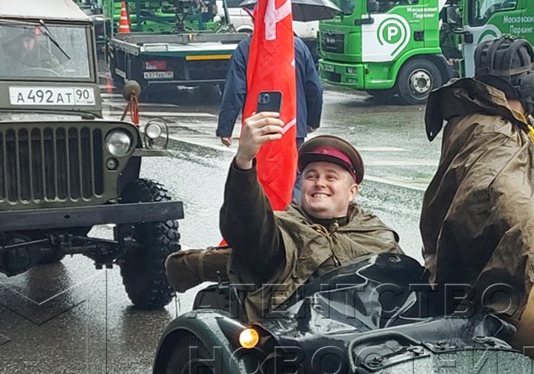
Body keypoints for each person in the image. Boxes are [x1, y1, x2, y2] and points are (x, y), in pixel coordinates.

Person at [168, 112, 399, 321]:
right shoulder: (282, 232)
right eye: (311, 176)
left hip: (374, 345)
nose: (319, 183)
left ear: (352, 192)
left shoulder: (376, 234)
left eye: (331, 177)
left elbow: (407, 289)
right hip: (296, 348)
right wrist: (244, 162)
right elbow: (247, 225)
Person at [420, 36, 534, 328]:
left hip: (460, 275)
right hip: (498, 290)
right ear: (526, 85)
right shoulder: (499, 133)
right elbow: (511, 205)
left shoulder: (473, 116)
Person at [216, 31, 322, 145]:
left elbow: (235, 91)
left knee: (257, 162)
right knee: (292, 163)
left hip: (258, 128)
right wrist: (312, 122)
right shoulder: (298, 46)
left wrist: (226, 128)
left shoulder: (246, 48)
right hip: (293, 128)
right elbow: (314, 88)